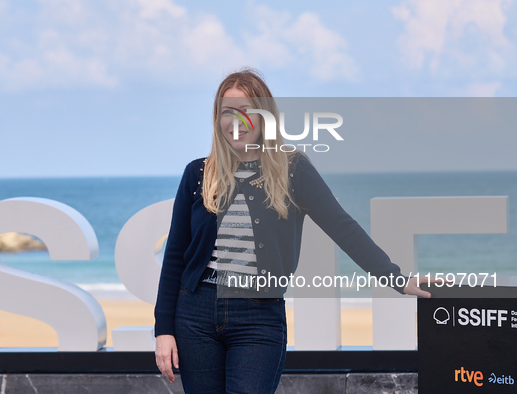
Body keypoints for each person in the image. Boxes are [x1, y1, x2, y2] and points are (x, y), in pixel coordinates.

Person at [154, 68, 430, 393]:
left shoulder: (293, 169)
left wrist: (397, 278)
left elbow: (342, 227)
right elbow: (175, 257)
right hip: (195, 314)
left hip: (258, 317)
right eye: (227, 112)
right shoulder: (197, 173)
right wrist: (164, 330)